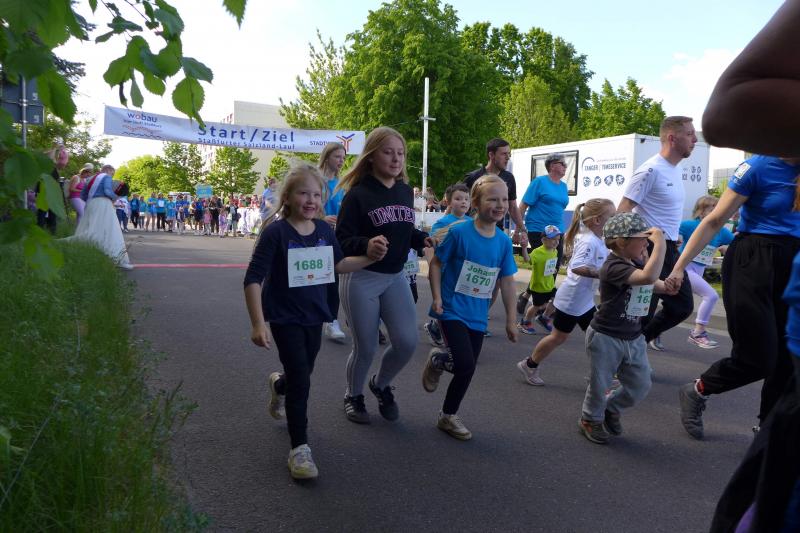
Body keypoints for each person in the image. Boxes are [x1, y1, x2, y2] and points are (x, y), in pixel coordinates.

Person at [243, 163, 372, 480]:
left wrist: (370, 257)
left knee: (302, 371)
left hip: (315, 314)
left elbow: (339, 264)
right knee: (302, 378)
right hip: (284, 316)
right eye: (304, 193)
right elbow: (253, 279)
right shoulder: (276, 233)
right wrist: (258, 323)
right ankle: (299, 448)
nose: (311, 200)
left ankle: (280, 385)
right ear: (287, 196)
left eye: (317, 195)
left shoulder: (325, 232)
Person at [667, 155, 800, 439]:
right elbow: (714, 220)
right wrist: (679, 267)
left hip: (794, 263)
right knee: (758, 358)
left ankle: (768, 434)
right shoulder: (757, 167)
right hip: (753, 260)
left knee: (788, 357)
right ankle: (698, 390)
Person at [335, 126, 432, 424]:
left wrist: (421, 239)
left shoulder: (404, 191)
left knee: (407, 342)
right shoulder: (357, 194)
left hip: (395, 276)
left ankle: (381, 384)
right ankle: (353, 395)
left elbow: (403, 229)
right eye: (388, 152)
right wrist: (366, 244)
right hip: (361, 277)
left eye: (400, 153)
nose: (396, 159)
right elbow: (342, 240)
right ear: (371, 156)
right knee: (365, 347)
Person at [420, 175, 518, 440]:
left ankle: (446, 409)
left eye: (504, 199)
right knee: (464, 363)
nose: (500, 205)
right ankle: (448, 409)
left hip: (478, 314)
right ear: (476, 202)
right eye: (492, 199)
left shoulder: (503, 242)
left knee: (468, 367)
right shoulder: (459, 233)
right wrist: (437, 297)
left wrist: (511, 319)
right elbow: (437, 264)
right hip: (451, 308)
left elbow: (507, 281)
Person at [578, 212, 667, 444]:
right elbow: (647, 277)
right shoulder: (612, 266)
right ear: (621, 242)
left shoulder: (632, 263)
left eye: (648, 239)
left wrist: (666, 287)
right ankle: (590, 419)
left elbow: (650, 282)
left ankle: (612, 408)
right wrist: (661, 244)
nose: (647, 242)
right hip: (605, 336)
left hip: (633, 337)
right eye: (642, 238)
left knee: (641, 384)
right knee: (600, 384)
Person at [617, 115, 698, 352]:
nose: (695, 139)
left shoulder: (674, 169)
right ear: (672, 138)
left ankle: (637, 346)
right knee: (640, 313)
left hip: (669, 248)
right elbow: (623, 210)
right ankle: (621, 359)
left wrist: (673, 234)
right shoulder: (650, 170)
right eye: (690, 134)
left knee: (682, 306)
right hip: (649, 250)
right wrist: (633, 250)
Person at [517, 199, 615, 386]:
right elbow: (577, 266)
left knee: (598, 337)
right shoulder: (589, 241)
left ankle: (601, 376)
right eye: (612, 216)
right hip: (572, 300)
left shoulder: (600, 240)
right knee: (559, 337)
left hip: (584, 301)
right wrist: (602, 273)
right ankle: (529, 365)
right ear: (597, 220)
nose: (615, 220)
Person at [678, 195, 735, 349]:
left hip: (699, 270)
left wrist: (726, 248)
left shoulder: (721, 231)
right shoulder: (690, 225)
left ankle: (653, 331)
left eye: (719, 208)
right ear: (701, 211)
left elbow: (737, 243)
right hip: (684, 268)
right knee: (711, 296)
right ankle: (698, 332)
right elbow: (669, 231)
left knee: (676, 306)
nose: (717, 211)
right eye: (712, 208)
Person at [423, 183, 471, 347]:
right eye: (458, 199)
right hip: (446, 270)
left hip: (464, 270)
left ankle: (439, 327)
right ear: (448, 202)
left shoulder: (472, 222)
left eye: (466, 199)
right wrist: (431, 268)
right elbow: (431, 247)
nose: (463, 202)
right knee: (445, 302)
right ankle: (437, 328)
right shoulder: (442, 223)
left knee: (459, 302)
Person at [463, 138, 528, 247]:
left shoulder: (509, 178)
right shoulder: (473, 177)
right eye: (504, 154)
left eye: (509, 154)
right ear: (491, 155)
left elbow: (513, 207)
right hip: (473, 232)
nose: (508, 158)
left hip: (496, 231)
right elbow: (459, 202)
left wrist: (522, 230)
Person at [66, 164, 133, 270]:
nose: (112, 176)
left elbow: (83, 195)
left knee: (91, 229)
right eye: (112, 173)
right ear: (108, 170)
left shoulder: (89, 179)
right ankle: (118, 259)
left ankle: (87, 253)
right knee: (111, 231)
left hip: (91, 205)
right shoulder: (106, 177)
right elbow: (107, 191)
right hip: (103, 204)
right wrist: (116, 197)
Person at [518, 152, 569, 277]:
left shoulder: (564, 186)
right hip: (539, 230)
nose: (565, 166)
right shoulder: (539, 182)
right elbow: (523, 206)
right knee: (543, 270)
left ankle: (540, 289)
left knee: (553, 269)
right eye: (562, 163)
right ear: (552, 166)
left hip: (557, 232)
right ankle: (540, 290)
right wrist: (519, 230)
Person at [319, 142, 348, 342]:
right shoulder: (315, 179)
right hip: (314, 236)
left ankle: (331, 320)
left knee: (334, 278)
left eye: (343, 158)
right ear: (327, 156)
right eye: (338, 156)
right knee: (313, 279)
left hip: (335, 237)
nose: (341, 161)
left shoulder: (341, 184)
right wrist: (322, 218)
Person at [518, 225, 561, 335]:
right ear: (544, 240)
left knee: (557, 300)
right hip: (538, 286)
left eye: (558, 239)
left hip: (549, 284)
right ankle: (525, 322)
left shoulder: (554, 251)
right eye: (553, 239)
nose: (556, 242)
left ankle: (544, 317)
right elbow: (527, 260)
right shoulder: (537, 252)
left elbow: (549, 265)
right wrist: (524, 248)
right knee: (536, 306)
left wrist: (553, 270)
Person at [37, 144, 69, 234]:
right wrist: (55, 148)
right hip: (44, 189)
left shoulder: (54, 166)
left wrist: (62, 151)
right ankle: (40, 230)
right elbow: (50, 158)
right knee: (42, 210)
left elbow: (62, 164)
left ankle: (52, 231)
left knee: (52, 211)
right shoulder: (45, 164)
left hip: (53, 190)